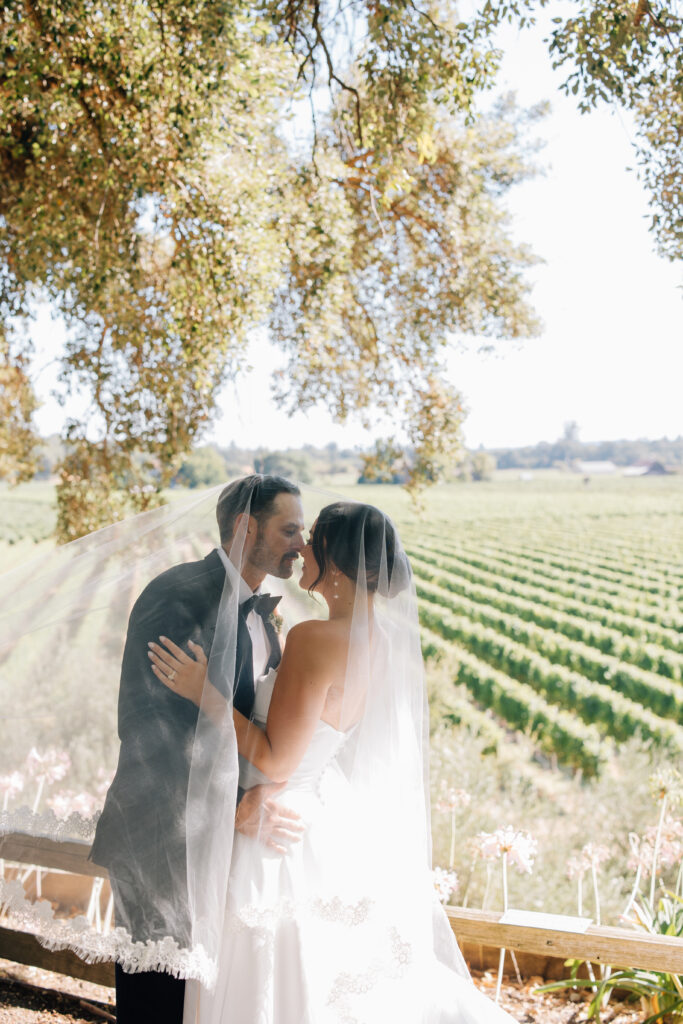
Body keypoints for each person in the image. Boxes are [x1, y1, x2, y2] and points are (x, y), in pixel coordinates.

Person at [151, 501, 518, 1024]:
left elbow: (276, 761)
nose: (301, 548)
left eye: (314, 541)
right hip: (321, 810)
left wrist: (206, 695)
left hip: (277, 832)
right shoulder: (386, 642)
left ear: (339, 566)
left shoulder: (314, 639)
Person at [89, 474, 307, 1024]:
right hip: (163, 838)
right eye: (289, 529)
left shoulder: (263, 613)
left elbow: (274, 728)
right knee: (155, 1003)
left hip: (224, 840)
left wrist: (263, 792)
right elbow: (150, 728)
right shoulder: (178, 595)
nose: (301, 544)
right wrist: (234, 806)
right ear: (245, 526)